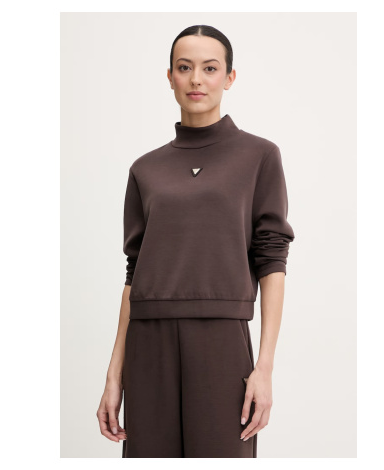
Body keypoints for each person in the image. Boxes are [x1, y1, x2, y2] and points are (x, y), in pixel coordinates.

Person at [96, 24, 295, 458]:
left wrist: (264, 367)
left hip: (222, 340)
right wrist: (114, 375)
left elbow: (272, 260)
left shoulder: (259, 156)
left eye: (210, 68)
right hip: (148, 344)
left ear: (229, 77)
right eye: (184, 68)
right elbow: (134, 273)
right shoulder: (145, 169)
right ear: (170, 77)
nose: (196, 79)